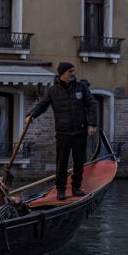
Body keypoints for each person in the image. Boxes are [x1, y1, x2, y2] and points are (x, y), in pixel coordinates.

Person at [26, 62, 97, 200]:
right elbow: (42, 105)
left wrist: (92, 124)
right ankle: (60, 189)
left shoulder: (81, 87)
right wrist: (32, 114)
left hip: (80, 131)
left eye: (73, 71)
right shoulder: (53, 90)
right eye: (71, 71)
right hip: (63, 132)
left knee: (79, 161)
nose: (73, 73)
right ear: (63, 73)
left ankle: (76, 187)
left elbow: (91, 104)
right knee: (61, 162)